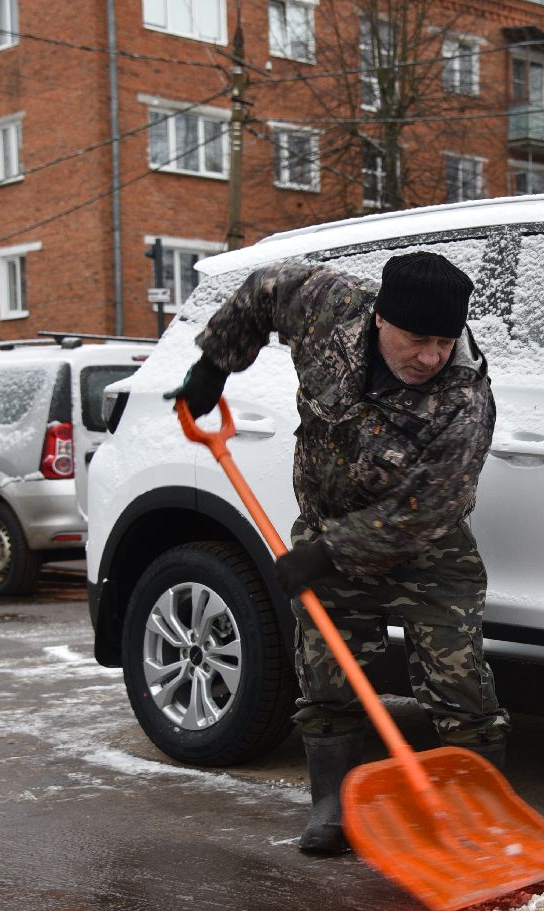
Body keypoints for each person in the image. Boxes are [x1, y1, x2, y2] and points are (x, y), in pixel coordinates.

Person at [166, 250, 510, 855]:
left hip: (428, 550)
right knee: (325, 672)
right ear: (381, 318)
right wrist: (213, 366)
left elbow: (429, 508)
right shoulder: (329, 306)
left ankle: (479, 818)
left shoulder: (464, 397)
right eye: (417, 339)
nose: (431, 357)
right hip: (329, 524)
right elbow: (266, 288)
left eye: (444, 341)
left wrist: (327, 555)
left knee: (460, 686)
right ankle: (335, 801)